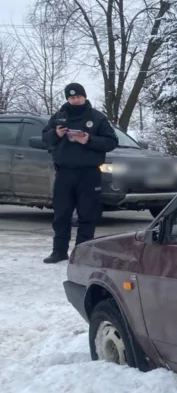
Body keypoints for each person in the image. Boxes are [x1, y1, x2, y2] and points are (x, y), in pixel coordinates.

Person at [41, 83, 119, 263]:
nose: (75, 100)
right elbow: (45, 137)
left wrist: (89, 140)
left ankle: (83, 255)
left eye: (78, 97)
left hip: (89, 174)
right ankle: (59, 251)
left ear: (84, 97)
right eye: (71, 97)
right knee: (61, 214)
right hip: (65, 173)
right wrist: (56, 134)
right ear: (67, 99)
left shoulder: (97, 118)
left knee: (88, 215)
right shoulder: (59, 116)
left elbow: (111, 142)